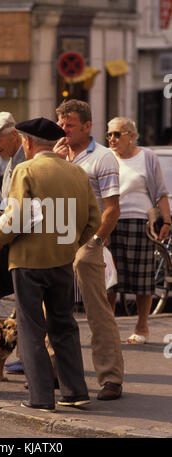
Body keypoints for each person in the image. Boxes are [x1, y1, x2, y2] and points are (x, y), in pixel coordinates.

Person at [0, 117, 101, 411]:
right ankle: (75, 391)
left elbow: (17, 216)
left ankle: (40, 398)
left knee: (30, 328)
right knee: (64, 325)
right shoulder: (76, 172)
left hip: (28, 260)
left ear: (27, 142)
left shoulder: (26, 169)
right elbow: (94, 220)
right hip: (63, 260)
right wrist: (72, 244)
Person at [54, 99, 124, 401]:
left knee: (98, 312)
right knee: (53, 310)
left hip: (87, 242)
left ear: (87, 126)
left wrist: (95, 241)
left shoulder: (103, 157)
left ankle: (111, 379)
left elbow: (112, 209)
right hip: (56, 242)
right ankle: (55, 373)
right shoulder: (56, 155)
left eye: (69, 125)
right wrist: (54, 162)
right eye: (61, 124)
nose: (64, 130)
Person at [106, 117, 171, 343]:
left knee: (143, 280)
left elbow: (160, 192)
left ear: (131, 136)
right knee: (110, 279)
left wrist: (167, 221)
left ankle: (142, 326)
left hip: (140, 222)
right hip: (111, 221)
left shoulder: (147, 157)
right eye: (109, 134)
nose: (112, 139)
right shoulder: (106, 158)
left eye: (117, 134)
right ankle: (108, 326)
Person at [0, 111, 26, 375]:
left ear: (13, 136)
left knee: (28, 304)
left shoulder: (25, 159)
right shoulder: (12, 159)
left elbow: (22, 209)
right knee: (22, 302)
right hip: (15, 239)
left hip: (25, 242)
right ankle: (26, 357)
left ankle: (30, 360)